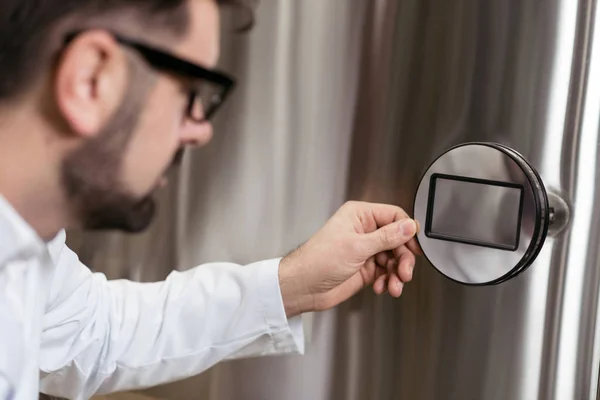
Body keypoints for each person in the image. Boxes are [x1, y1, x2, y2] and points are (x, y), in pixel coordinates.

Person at [0, 0, 422, 398]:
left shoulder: (24, 238)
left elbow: (89, 332)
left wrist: (292, 285)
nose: (200, 130)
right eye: (191, 94)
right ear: (90, 79)